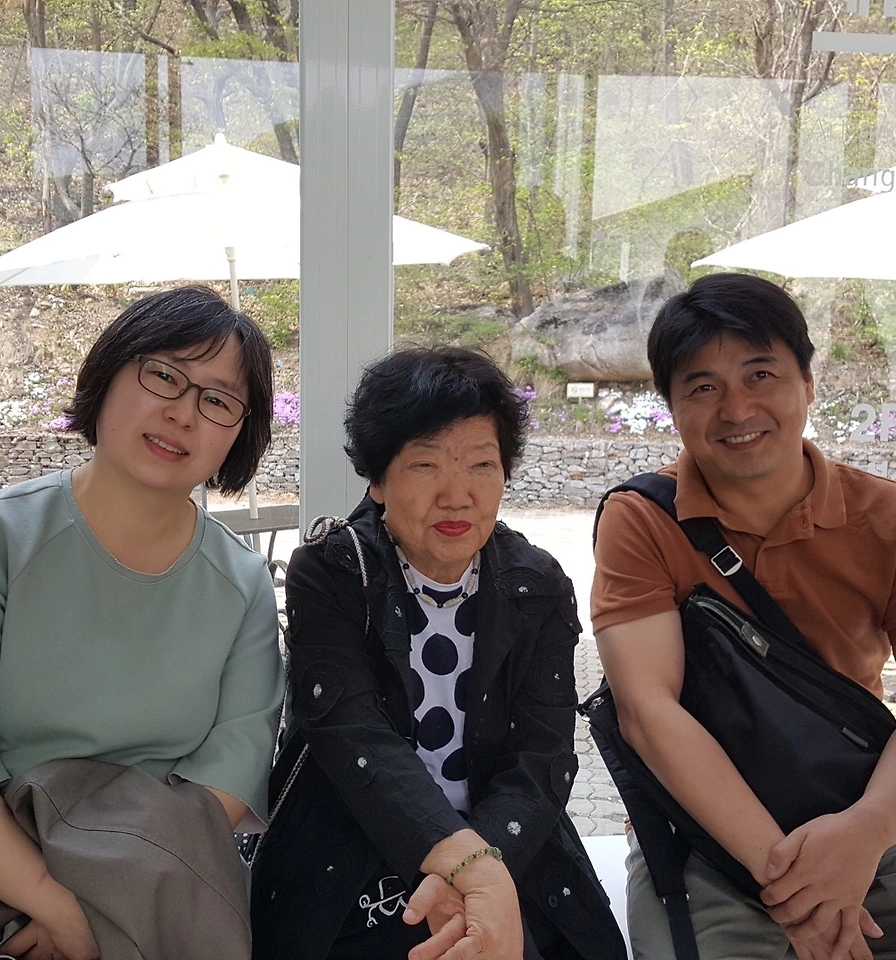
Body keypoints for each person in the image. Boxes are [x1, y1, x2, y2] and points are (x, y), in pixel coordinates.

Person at [0, 285, 285, 960]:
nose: (183, 413)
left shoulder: (242, 584)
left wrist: (101, 898)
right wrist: (52, 904)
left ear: (240, 435)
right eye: (163, 375)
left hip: (147, 893)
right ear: (108, 374)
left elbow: (227, 773)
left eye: (217, 400)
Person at [591, 272, 896, 960]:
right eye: (702, 387)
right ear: (672, 407)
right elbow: (648, 714)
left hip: (861, 828)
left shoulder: (892, 517)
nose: (736, 409)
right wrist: (796, 887)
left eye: (761, 375)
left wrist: (868, 832)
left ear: (807, 382)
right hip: (700, 840)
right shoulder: (642, 520)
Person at [251, 347, 625, 960]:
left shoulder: (538, 584)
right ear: (377, 481)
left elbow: (543, 755)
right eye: (426, 464)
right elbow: (352, 734)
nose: (457, 495)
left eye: (481, 464)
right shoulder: (332, 571)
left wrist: (484, 866)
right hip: (355, 851)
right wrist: (464, 865)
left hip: (511, 844)